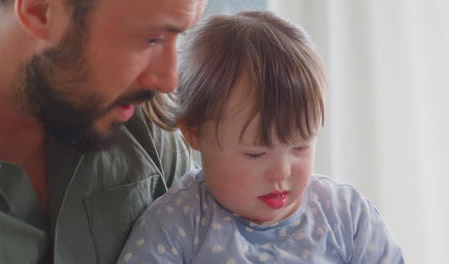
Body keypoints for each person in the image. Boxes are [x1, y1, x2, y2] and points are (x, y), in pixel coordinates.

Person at [117, 10, 405, 264]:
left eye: (300, 147)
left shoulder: (347, 218)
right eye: (255, 154)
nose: (281, 172)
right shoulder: (176, 225)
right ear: (194, 133)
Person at [0, 0, 207, 263]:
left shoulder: (145, 124)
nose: (169, 81)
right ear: (40, 10)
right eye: (152, 39)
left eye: (180, 36)